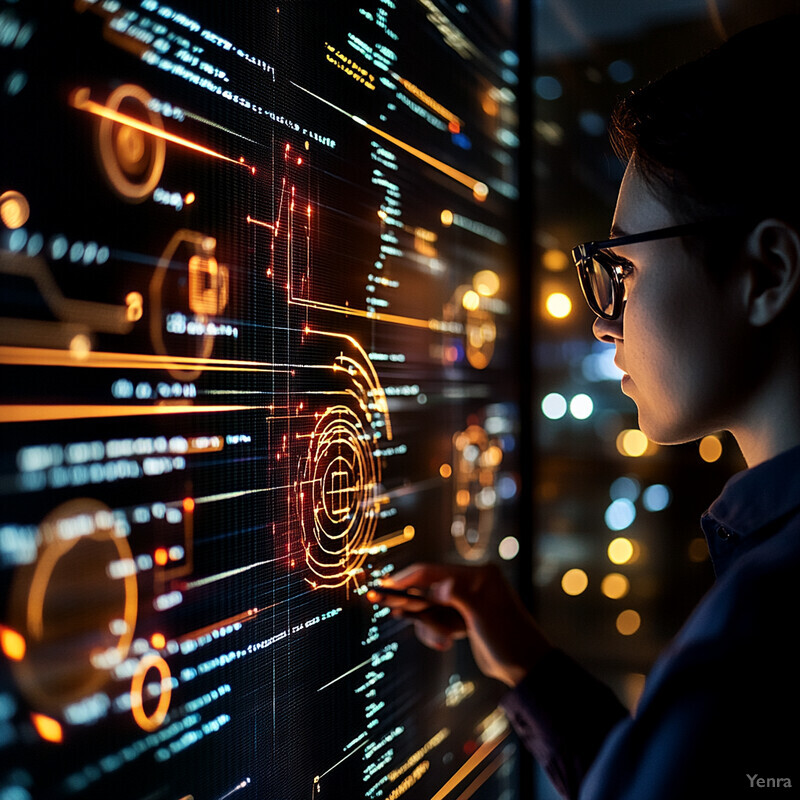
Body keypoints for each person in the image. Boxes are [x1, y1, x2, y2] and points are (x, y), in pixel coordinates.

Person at [376, 16, 800, 799]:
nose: (604, 319)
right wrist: (525, 661)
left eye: (621, 270)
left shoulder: (764, 626)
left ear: (768, 272)